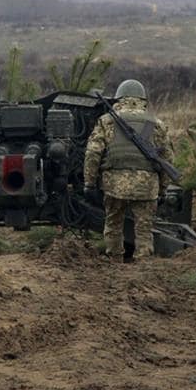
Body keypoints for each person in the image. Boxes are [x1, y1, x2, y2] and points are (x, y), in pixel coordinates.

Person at [82, 79, 173, 263]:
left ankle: (115, 262)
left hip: (114, 185)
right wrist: (163, 189)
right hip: (146, 186)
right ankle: (142, 267)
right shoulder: (156, 124)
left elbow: (93, 153)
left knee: (113, 224)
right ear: (143, 99)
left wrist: (89, 183)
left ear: (119, 98)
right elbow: (167, 159)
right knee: (144, 229)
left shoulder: (107, 120)